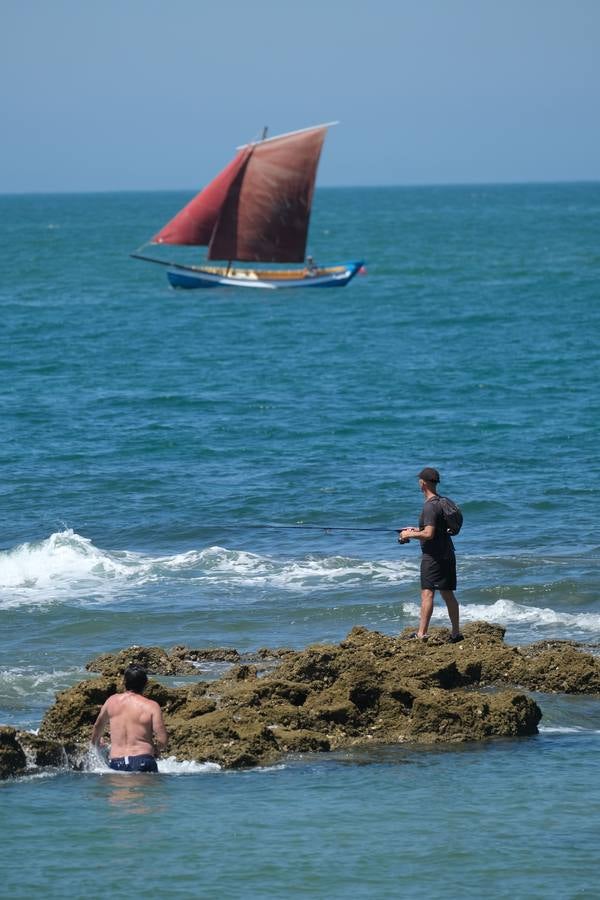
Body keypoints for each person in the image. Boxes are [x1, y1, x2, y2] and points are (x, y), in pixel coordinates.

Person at [399, 467, 462, 642]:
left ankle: (421, 634)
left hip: (433, 557)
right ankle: (456, 634)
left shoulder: (429, 506)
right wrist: (414, 530)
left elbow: (429, 534)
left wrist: (408, 534)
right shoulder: (441, 502)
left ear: (423, 483)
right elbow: (434, 530)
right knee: (448, 594)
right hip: (447, 554)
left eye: (419, 480)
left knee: (427, 594)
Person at [91, 664, 168, 772]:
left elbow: (98, 727)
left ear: (124, 682)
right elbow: (162, 740)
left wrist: (96, 744)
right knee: (148, 789)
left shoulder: (111, 701)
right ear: (145, 684)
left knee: (121, 788)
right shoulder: (151, 706)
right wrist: (156, 749)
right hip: (144, 760)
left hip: (118, 762)